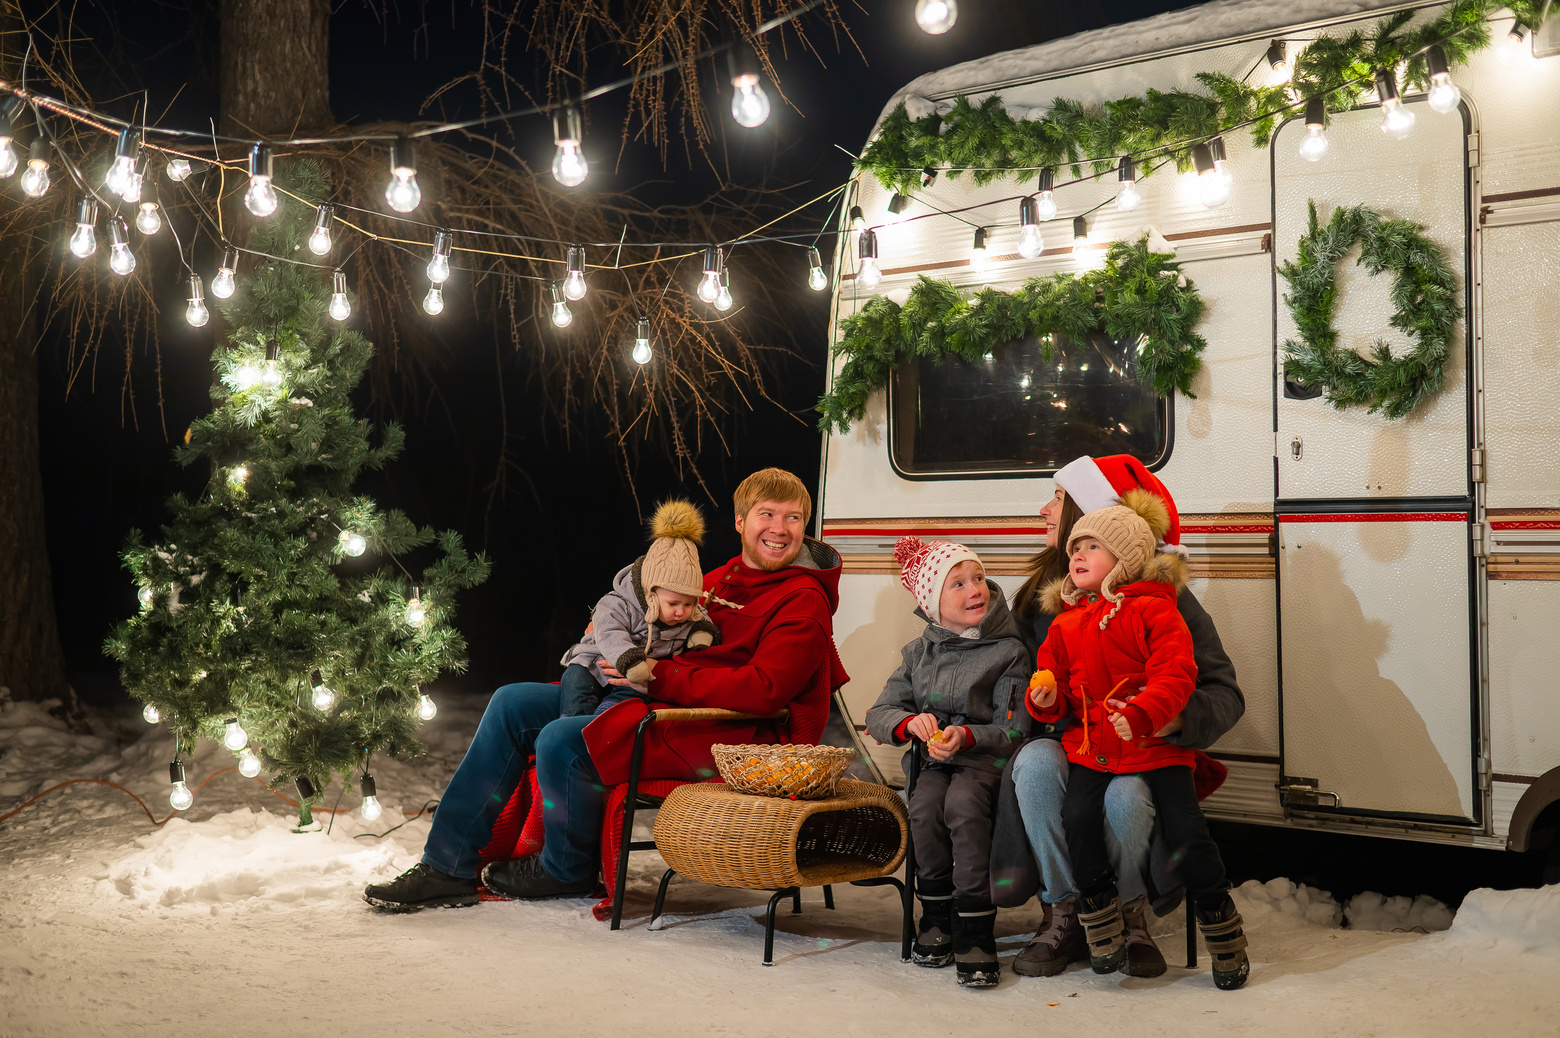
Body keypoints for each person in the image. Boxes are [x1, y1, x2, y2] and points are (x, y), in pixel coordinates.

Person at [364, 468, 844, 911]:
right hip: (651, 696)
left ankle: (565, 869)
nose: (779, 528)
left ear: (805, 525)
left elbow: (765, 690)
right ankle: (445, 865)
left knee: (564, 738)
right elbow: (646, 607)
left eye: (793, 517)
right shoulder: (714, 579)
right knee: (512, 702)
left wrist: (657, 674)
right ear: (741, 521)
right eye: (767, 514)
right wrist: (612, 636)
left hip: (718, 730)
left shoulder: (803, 601)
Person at [990, 453, 1244, 979]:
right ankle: (1063, 907)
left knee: (1128, 796)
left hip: (1141, 745)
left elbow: (1222, 692)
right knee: (1035, 762)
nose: (1043, 511)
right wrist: (1035, 705)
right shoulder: (1046, 601)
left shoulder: (1164, 602)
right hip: (1073, 743)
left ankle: (1128, 913)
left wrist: (1169, 719)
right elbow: (1024, 684)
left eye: (1057, 499)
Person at [865, 537, 1030, 989]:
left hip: (982, 763)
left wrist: (967, 735)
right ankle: (935, 913)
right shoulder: (918, 654)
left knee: (961, 806)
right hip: (932, 762)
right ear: (933, 604)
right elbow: (878, 714)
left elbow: (1015, 728)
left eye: (977, 577)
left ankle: (975, 925)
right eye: (957, 584)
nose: (974, 588)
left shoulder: (1008, 652)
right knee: (922, 806)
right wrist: (909, 724)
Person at [556, 499, 722, 719]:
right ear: (650, 593)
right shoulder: (617, 604)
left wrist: (702, 632)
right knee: (575, 678)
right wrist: (630, 660)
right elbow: (609, 632)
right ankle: (573, 722)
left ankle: (609, 712)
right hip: (598, 661)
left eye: (688, 603)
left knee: (633, 691)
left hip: (637, 676)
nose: (681, 612)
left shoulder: (686, 612)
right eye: (673, 604)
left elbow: (702, 615)